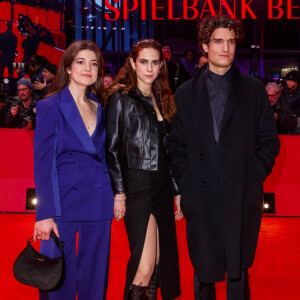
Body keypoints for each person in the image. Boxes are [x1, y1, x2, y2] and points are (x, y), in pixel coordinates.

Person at [167, 15, 280, 300]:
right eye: (218, 41)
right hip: (200, 192)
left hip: (240, 191)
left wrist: (253, 174)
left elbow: (269, 141)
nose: (226, 48)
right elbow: (176, 145)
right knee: (203, 268)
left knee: (237, 269)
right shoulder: (185, 93)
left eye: (231, 41)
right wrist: (186, 182)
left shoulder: (254, 90)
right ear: (204, 45)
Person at [32, 40, 114, 300]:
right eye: (81, 62)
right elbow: (43, 162)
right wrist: (43, 213)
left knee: (95, 273)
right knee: (57, 277)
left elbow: (104, 156)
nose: (88, 68)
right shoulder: (49, 106)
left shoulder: (99, 106)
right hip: (62, 202)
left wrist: (116, 195)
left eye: (93, 63)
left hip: (99, 199)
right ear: (67, 67)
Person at [105, 39, 181, 300]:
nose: (149, 68)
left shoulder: (163, 99)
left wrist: (176, 191)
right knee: (144, 264)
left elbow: (167, 152)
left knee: (159, 260)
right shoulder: (120, 99)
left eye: (155, 62)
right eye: (144, 62)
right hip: (137, 187)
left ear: (161, 66)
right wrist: (119, 194)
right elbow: (113, 149)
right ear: (133, 64)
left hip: (161, 187)